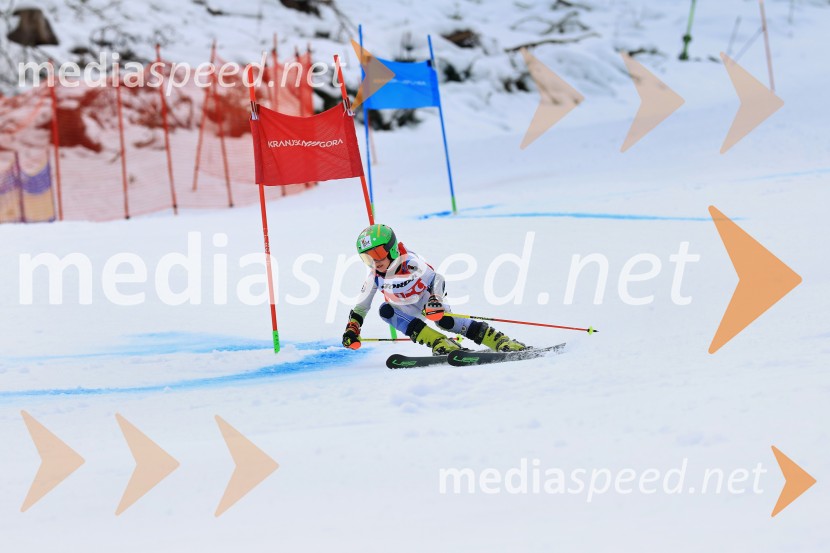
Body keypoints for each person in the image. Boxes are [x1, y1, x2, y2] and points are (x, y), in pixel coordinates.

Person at [342, 224, 527, 355]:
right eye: (368, 257)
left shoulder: (410, 263)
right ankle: (440, 342)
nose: (375, 262)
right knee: (386, 311)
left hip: (425, 299)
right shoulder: (375, 275)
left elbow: (436, 279)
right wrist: (353, 328)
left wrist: (435, 299)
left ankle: (498, 340)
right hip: (405, 309)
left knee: (445, 321)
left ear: (392, 250)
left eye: (378, 254)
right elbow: (361, 307)